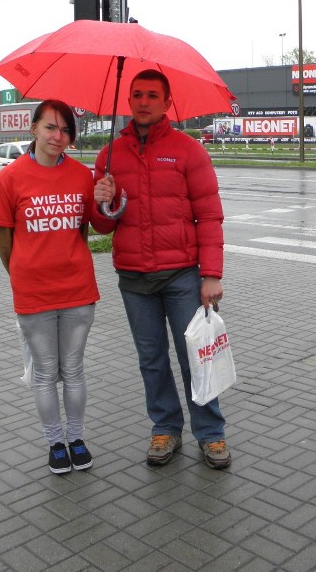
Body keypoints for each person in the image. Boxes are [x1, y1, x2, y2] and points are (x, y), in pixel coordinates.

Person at [90, 69, 231, 470]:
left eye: (152, 95)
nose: (143, 101)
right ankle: (165, 427)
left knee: (194, 358)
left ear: (166, 102)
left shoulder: (188, 151)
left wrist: (211, 275)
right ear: (128, 101)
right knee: (151, 359)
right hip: (134, 278)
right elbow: (103, 226)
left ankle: (211, 432)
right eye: (137, 95)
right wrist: (101, 200)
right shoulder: (110, 155)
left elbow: (210, 215)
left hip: (182, 275)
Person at [0, 99, 99, 475]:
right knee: (45, 371)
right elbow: (1, 235)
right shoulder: (8, 178)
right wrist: (21, 270)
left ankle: (77, 439)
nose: (58, 136)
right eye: (50, 127)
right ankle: (55, 442)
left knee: (74, 369)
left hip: (78, 290)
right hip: (33, 292)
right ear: (33, 128)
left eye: (66, 130)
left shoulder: (81, 176)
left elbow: (84, 229)